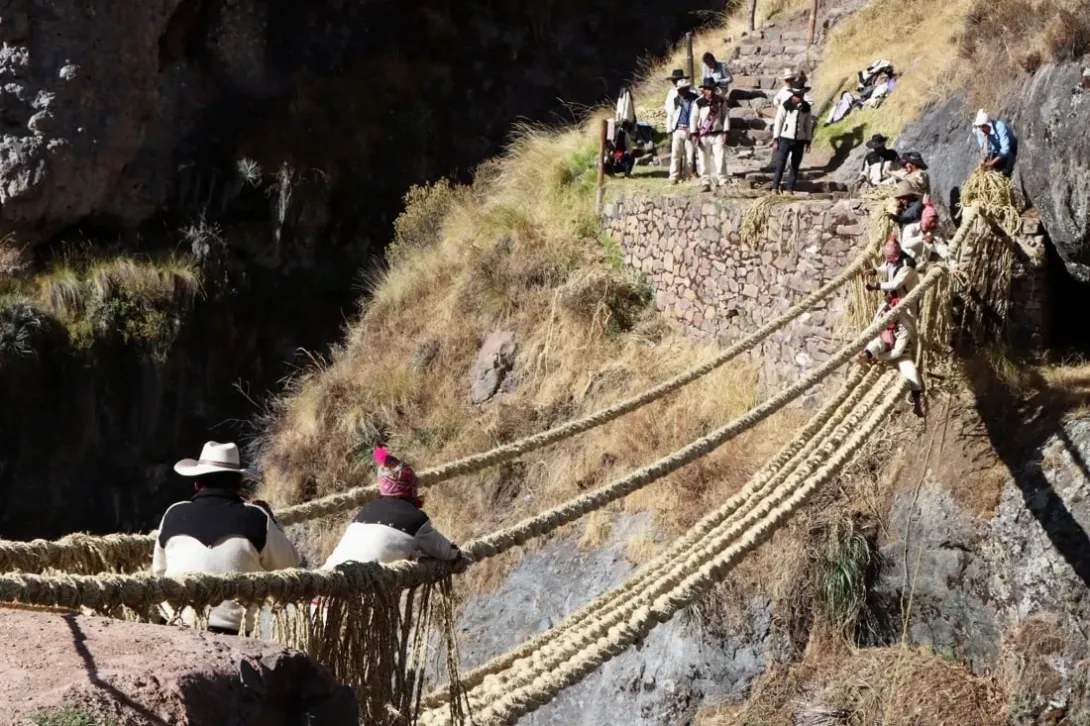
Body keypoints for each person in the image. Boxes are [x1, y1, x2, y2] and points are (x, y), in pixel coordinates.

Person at [152, 442, 301, 635]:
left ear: (197, 484)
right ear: (238, 485)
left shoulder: (173, 514)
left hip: (176, 626)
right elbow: (290, 565)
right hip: (234, 632)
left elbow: (159, 572)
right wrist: (274, 526)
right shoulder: (256, 518)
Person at [321, 448, 465, 568]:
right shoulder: (415, 520)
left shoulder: (365, 511)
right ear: (412, 486)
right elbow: (448, 552)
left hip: (323, 587)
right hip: (360, 593)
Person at [858, 237, 925, 417]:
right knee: (875, 334)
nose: (888, 261)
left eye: (890, 258)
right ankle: (865, 354)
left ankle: (917, 400)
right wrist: (874, 270)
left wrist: (880, 357)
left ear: (897, 255)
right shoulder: (892, 260)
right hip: (892, 306)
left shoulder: (907, 265)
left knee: (904, 359)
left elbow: (896, 284)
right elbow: (885, 268)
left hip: (905, 309)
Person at [771, 83, 814, 194]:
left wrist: (808, 141)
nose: (798, 97)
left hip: (800, 140)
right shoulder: (785, 105)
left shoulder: (806, 108)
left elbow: (808, 125)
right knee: (781, 163)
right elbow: (779, 122)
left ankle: (790, 188)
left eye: (800, 95)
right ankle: (775, 187)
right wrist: (776, 139)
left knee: (795, 165)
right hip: (785, 138)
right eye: (796, 95)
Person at [691, 78, 728, 191]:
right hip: (703, 134)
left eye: (711, 89)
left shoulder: (721, 101)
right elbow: (694, 118)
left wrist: (726, 131)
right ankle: (705, 181)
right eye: (707, 89)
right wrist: (694, 133)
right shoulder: (698, 102)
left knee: (720, 158)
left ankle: (723, 180)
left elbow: (725, 116)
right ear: (703, 90)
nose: (710, 91)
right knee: (703, 159)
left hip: (717, 133)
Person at [666, 73, 698, 184]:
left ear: (687, 89)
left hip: (690, 129)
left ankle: (687, 177)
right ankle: (674, 177)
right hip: (678, 129)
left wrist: (693, 129)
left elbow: (697, 116)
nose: (681, 92)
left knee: (689, 156)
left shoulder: (695, 100)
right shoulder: (675, 100)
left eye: (683, 89)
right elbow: (670, 115)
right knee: (676, 154)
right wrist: (669, 131)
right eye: (679, 90)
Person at [901, 202, 950, 273]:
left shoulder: (934, 232)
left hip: (922, 268)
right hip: (906, 267)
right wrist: (922, 238)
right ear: (924, 219)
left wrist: (949, 259)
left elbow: (940, 247)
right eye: (931, 221)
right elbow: (905, 244)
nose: (933, 224)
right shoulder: (910, 228)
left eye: (935, 222)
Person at [971, 110, 1018, 177]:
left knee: (1006, 171)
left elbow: (1005, 149)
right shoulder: (980, 132)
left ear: (988, 124)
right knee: (990, 169)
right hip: (996, 151)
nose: (981, 129)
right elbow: (984, 147)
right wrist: (985, 159)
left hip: (1010, 148)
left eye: (983, 126)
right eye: (979, 126)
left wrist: (992, 162)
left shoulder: (999, 127)